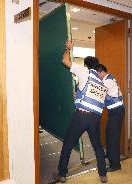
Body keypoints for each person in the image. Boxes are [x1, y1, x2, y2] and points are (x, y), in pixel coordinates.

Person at [54, 41, 108, 183]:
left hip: (81, 117)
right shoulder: (100, 81)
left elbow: (65, 61)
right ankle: (103, 174)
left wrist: (67, 48)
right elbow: (88, 95)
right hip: (95, 118)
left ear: (86, 65)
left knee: (68, 144)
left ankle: (62, 174)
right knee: (97, 146)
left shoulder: (84, 72)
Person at [97, 64, 125, 172]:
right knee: (109, 132)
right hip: (114, 111)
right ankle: (109, 154)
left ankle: (115, 165)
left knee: (113, 137)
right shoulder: (109, 78)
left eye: (97, 74)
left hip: (116, 111)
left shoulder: (106, 81)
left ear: (101, 72)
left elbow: (99, 96)